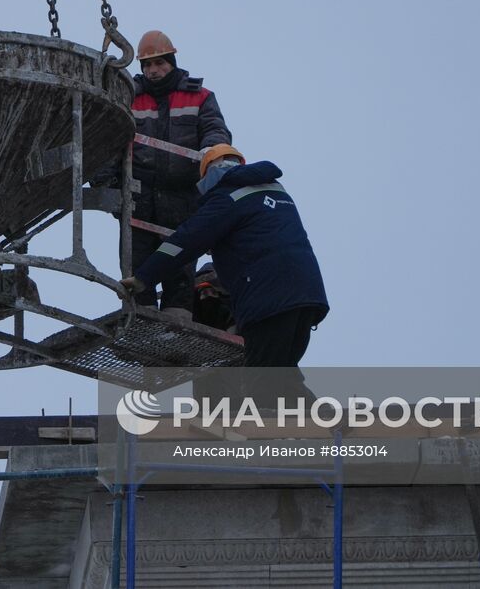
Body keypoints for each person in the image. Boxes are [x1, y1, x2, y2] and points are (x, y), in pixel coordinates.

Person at [125, 146, 328, 403]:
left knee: (262, 387)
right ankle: (328, 423)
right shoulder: (274, 189)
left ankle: (272, 439)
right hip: (307, 296)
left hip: (269, 301)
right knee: (283, 378)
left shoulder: (227, 198)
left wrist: (144, 277)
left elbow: (184, 241)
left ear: (210, 172)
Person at [103, 30, 231, 318]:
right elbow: (109, 138)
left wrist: (212, 153)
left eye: (159, 63)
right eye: (147, 65)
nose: (154, 70)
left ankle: (177, 327)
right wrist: (109, 183)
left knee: (181, 266)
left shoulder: (199, 96)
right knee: (136, 262)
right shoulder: (129, 97)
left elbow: (215, 130)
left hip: (183, 196)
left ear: (172, 61)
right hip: (138, 195)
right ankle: (141, 322)